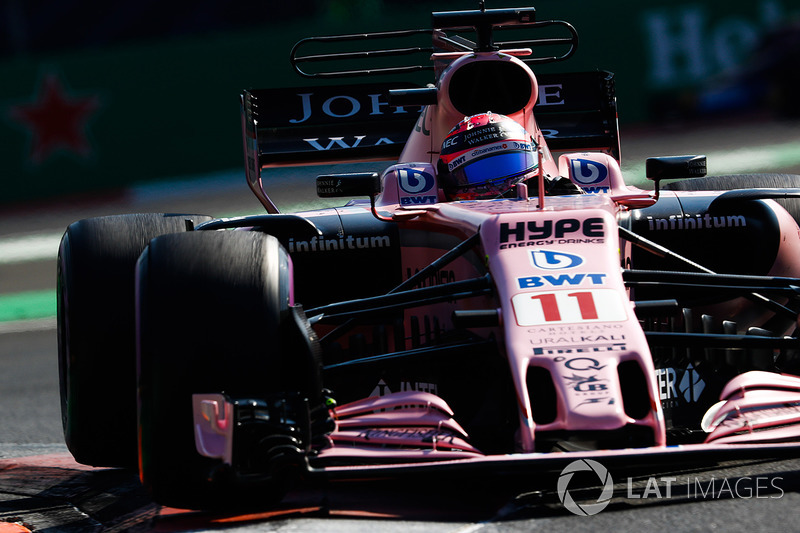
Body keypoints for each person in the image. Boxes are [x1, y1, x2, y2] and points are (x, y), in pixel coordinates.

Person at [437, 112, 581, 200]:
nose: (505, 185)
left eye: (513, 164)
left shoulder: (552, 192)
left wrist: (577, 201)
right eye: (483, 171)